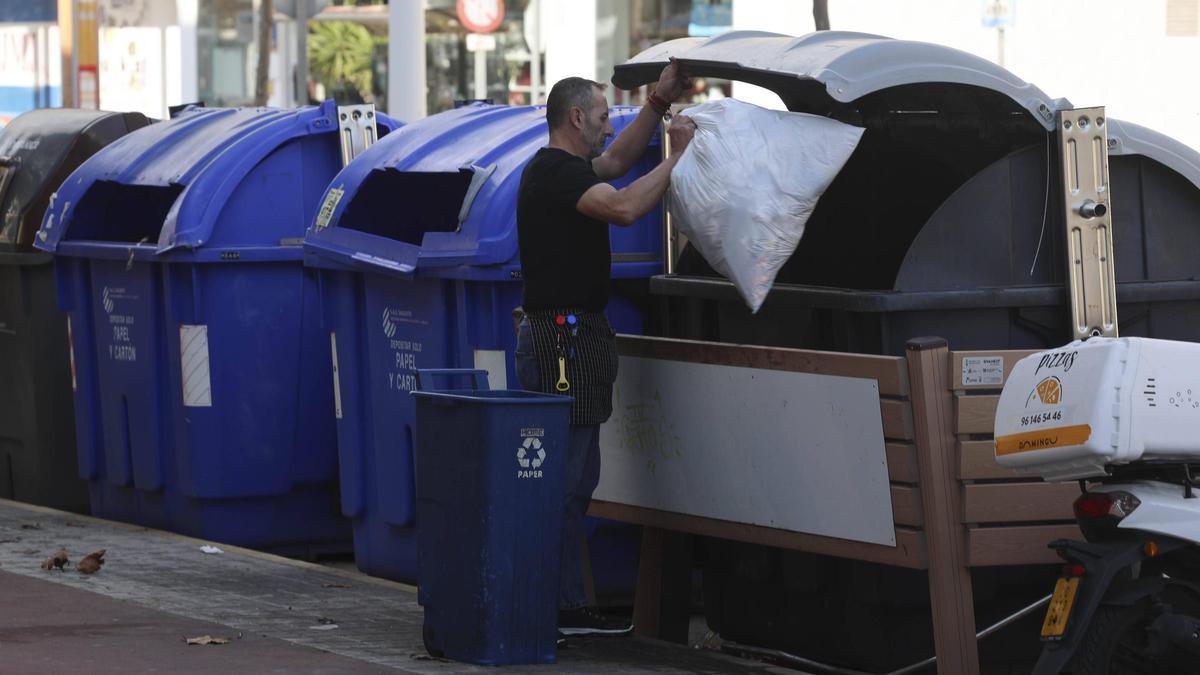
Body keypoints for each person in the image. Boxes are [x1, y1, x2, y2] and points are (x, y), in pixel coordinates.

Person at [514, 61, 697, 636]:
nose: (605, 126)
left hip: (574, 336)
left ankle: (562, 605)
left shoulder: (566, 169)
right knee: (563, 485)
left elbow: (616, 163)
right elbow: (623, 207)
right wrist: (678, 158)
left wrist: (657, 104)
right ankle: (557, 610)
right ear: (573, 117)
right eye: (599, 116)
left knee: (574, 480)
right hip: (561, 343)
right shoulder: (555, 174)